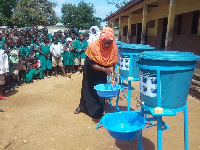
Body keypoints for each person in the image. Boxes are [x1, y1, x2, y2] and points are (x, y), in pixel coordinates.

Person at [74, 27, 118, 119]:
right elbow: (91, 64)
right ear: (100, 40)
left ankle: (98, 109)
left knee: (100, 88)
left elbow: (111, 64)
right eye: (104, 42)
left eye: (109, 43)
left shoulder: (113, 48)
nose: (106, 45)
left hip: (102, 71)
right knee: (88, 87)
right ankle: (82, 107)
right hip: (91, 69)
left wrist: (112, 75)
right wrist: (104, 69)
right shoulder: (93, 47)